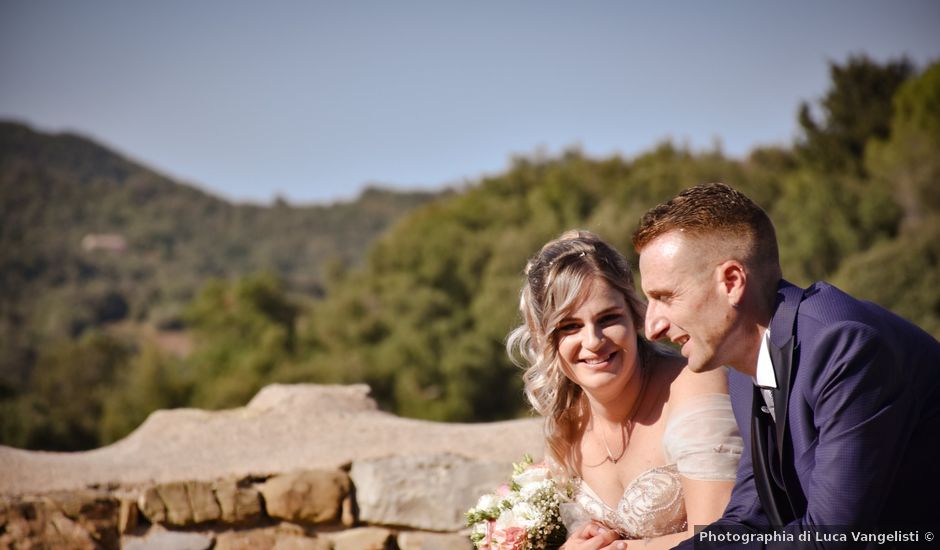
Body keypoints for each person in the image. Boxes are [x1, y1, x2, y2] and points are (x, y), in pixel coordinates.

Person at [632, 183, 940, 548]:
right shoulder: (746, 375)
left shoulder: (846, 347)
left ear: (731, 282)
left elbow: (833, 539)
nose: (652, 328)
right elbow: (748, 519)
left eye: (665, 297)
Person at [508, 230, 744, 549]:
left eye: (608, 319)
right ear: (544, 338)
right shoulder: (568, 416)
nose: (593, 342)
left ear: (634, 316)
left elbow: (721, 538)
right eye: (570, 326)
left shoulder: (694, 383)